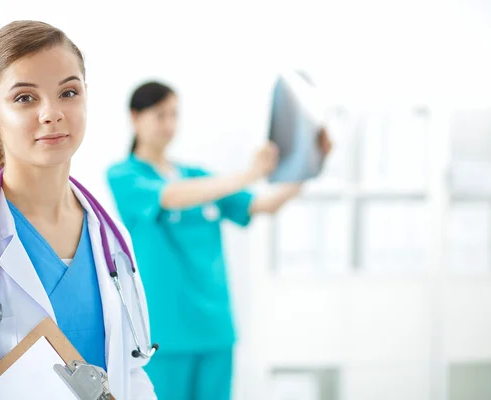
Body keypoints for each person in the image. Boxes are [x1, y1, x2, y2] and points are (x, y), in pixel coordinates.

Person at [0, 21, 155, 400]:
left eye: (68, 92)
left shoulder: (112, 239)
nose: (52, 113)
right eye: (25, 98)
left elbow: (132, 372)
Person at [107, 81, 332, 400]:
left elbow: (265, 204)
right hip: (165, 333)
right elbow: (171, 197)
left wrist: (313, 164)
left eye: (174, 115)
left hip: (214, 329)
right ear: (135, 117)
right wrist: (248, 174)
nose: (169, 125)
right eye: (160, 116)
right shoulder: (125, 175)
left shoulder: (198, 175)